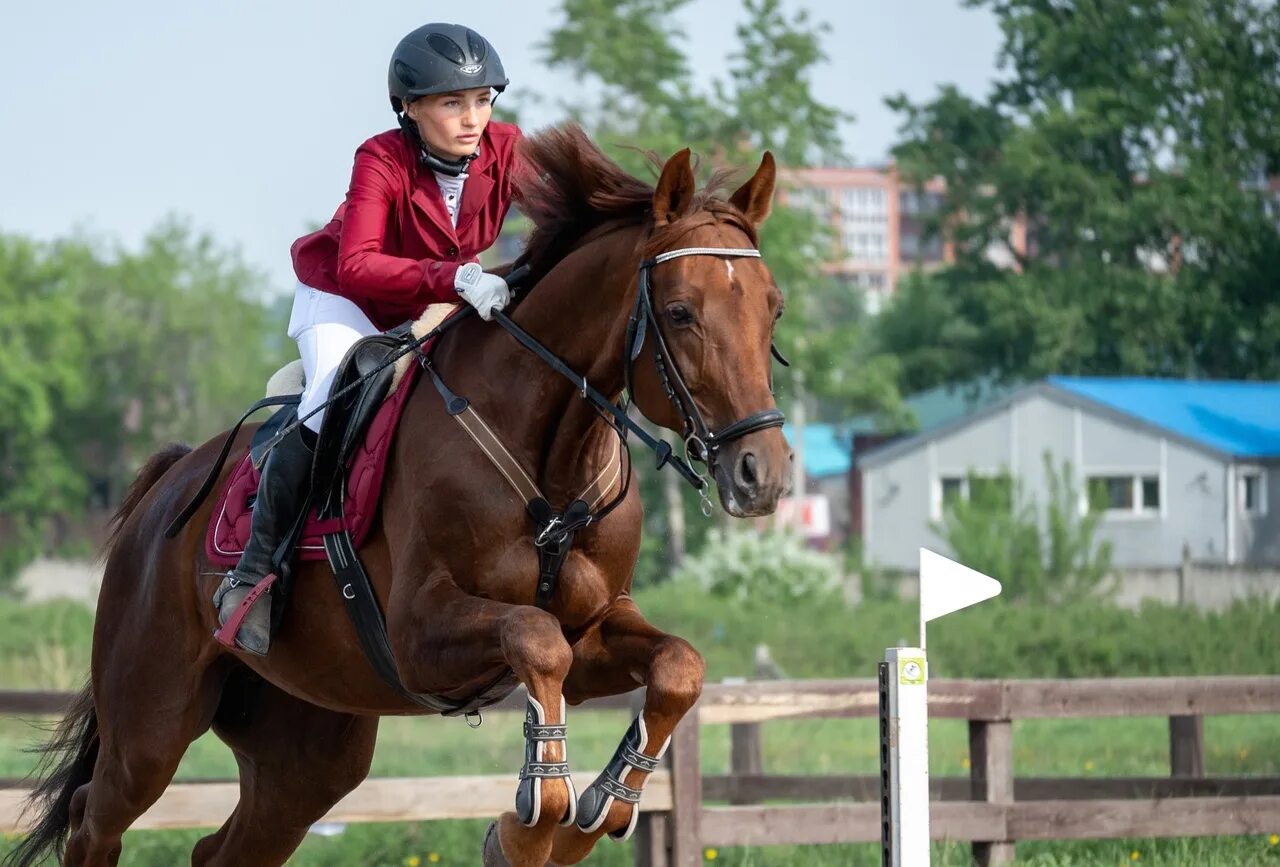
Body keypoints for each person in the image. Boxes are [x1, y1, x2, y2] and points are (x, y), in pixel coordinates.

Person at [212, 22, 523, 655]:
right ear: (409, 108)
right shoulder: (379, 158)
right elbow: (358, 264)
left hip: (432, 301)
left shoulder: (508, 148)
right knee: (329, 402)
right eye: (451, 103)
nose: (473, 120)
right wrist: (458, 277)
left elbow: (566, 211)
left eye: (483, 101)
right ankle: (253, 575)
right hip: (345, 300)